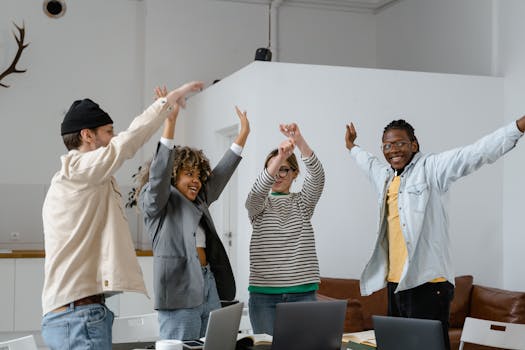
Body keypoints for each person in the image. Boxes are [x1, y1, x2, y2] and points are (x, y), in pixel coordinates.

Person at [41, 81, 203, 350]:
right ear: (87, 136)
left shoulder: (81, 178)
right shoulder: (79, 170)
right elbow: (126, 144)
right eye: (108, 132)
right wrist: (168, 101)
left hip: (76, 314)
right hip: (78, 317)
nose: (113, 138)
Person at [344, 116, 525, 350]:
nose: (393, 150)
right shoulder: (387, 178)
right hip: (396, 284)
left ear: (414, 145)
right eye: (387, 146)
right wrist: (352, 147)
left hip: (428, 284)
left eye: (400, 143)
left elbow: (476, 153)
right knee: (397, 347)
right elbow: (368, 163)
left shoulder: (431, 169)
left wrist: (518, 127)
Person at [131, 87, 250, 340]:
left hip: (208, 285)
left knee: (215, 346)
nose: (196, 180)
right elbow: (159, 175)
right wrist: (170, 124)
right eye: (189, 174)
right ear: (174, 175)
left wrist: (242, 136)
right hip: (179, 292)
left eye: (198, 175)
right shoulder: (157, 202)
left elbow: (218, 177)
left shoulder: (198, 201)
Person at [245, 123, 325, 335]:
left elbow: (317, 177)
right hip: (263, 297)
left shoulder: (303, 203)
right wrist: (280, 156)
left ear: (295, 173)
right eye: (273, 170)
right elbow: (257, 192)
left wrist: (299, 142)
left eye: (284, 169)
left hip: (303, 294)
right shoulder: (258, 206)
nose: (278, 176)